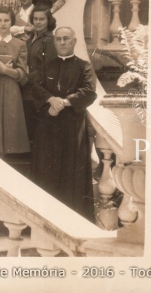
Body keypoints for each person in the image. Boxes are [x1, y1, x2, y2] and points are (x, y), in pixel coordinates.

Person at [30, 26, 97, 220]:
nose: (62, 42)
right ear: (54, 42)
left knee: (71, 172)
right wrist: (51, 99)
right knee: (46, 171)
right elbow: (36, 87)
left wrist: (64, 103)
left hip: (72, 127)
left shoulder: (84, 66)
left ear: (74, 41)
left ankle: (72, 219)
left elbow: (89, 91)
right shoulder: (46, 66)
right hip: (48, 126)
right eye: (58, 39)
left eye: (66, 38)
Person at [0, 7, 30, 156]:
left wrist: (5, 70)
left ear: (12, 22)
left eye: (6, 20)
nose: (3, 23)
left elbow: (22, 73)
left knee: (9, 127)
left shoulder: (20, 44)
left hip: (11, 89)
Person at [22, 5, 57, 142]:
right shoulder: (30, 39)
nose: (37, 22)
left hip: (40, 90)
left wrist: (26, 77)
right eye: (35, 19)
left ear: (48, 21)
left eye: (41, 19)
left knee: (39, 132)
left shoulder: (50, 40)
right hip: (28, 89)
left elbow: (48, 68)